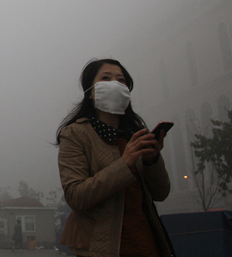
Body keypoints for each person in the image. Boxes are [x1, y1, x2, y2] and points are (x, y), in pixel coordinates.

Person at [56, 59, 174, 257]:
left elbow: (161, 193)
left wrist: (152, 160)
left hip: (147, 244)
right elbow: (75, 196)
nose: (115, 83)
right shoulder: (75, 134)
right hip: (103, 248)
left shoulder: (135, 135)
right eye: (106, 78)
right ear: (91, 92)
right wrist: (124, 163)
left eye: (121, 80)